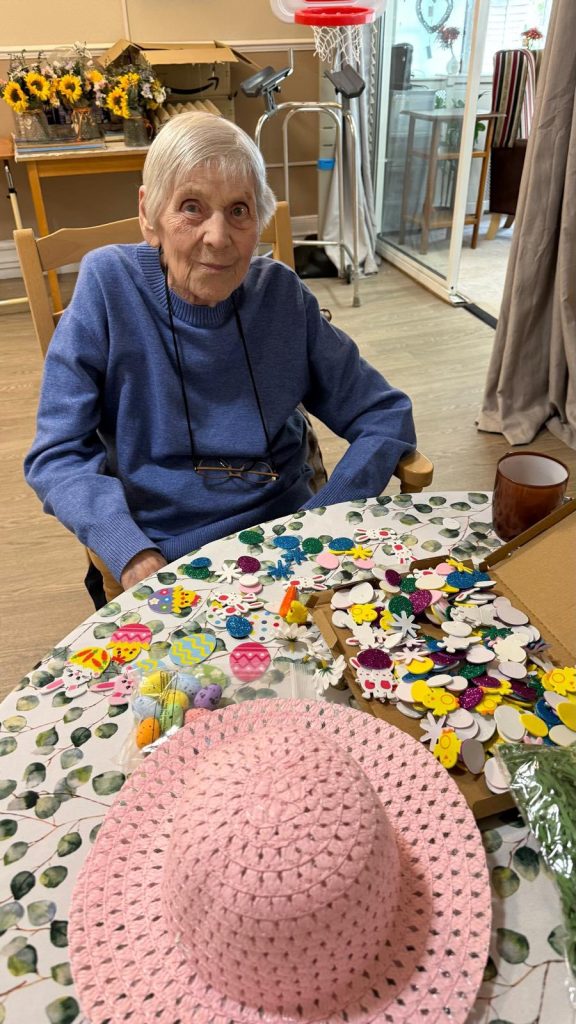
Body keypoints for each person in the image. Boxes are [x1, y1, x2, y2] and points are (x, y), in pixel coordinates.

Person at [24, 112, 417, 601]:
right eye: (192, 207)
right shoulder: (108, 286)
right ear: (150, 215)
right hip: (167, 555)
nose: (218, 237)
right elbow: (58, 454)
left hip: (292, 541)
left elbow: (384, 412)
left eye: (239, 210)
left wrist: (329, 513)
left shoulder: (281, 296)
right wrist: (127, 548)